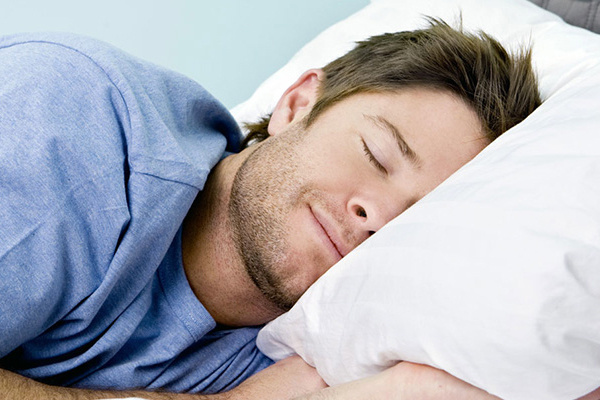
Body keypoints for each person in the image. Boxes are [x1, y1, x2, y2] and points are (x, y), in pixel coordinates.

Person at [0, 19, 555, 399]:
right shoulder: (72, 116)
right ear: (298, 103)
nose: (377, 215)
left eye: (412, 220)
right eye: (376, 154)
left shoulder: (316, 359)